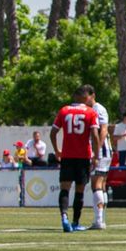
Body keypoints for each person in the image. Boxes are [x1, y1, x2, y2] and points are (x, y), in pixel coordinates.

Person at [51, 86, 102, 232]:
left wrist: (57, 151)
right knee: (80, 190)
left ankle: (64, 217)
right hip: (83, 156)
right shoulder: (91, 112)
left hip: (67, 155)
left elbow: (53, 132)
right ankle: (75, 222)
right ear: (86, 98)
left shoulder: (64, 110)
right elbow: (95, 135)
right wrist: (96, 156)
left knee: (65, 188)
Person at [84, 86, 112, 230]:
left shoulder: (98, 109)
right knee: (102, 184)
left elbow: (104, 130)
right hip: (103, 151)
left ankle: (99, 220)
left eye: (86, 96)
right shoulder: (89, 109)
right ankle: (101, 218)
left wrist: (97, 150)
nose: (84, 99)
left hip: (101, 150)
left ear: (92, 95)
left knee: (96, 183)